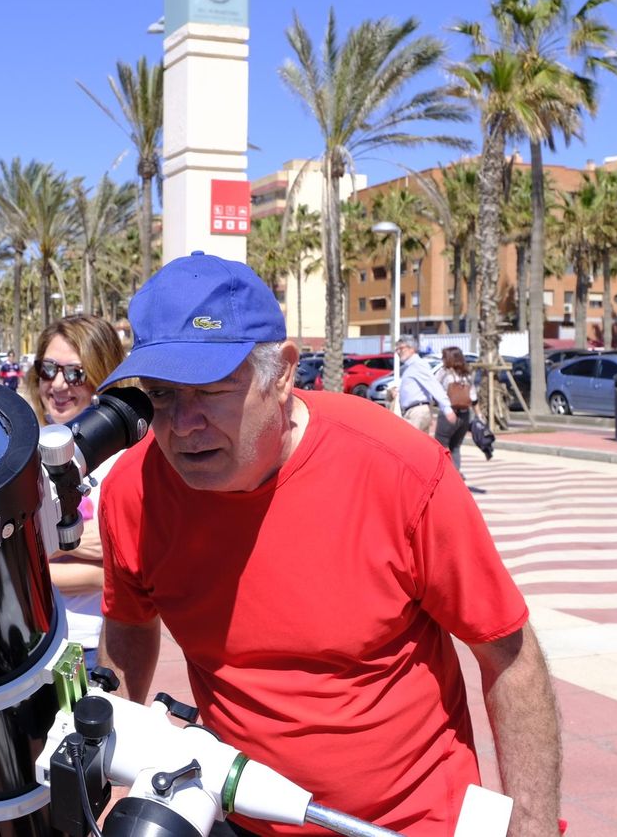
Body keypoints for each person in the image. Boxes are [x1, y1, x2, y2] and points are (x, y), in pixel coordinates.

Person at [95, 252, 560, 837]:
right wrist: (110, 769)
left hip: (407, 822)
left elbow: (509, 656)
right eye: (162, 395)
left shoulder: (400, 471)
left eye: (211, 390)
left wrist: (534, 826)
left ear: (283, 373)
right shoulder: (133, 490)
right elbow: (129, 622)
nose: (183, 424)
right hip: (236, 814)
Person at [23, 314, 126, 669]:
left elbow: (136, 571)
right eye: (48, 369)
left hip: (95, 646)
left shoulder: (126, 459)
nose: (58, 384)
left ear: (102, 374)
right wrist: (82, 550)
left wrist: (37, 550)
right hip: (32, 645)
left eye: (75, 373)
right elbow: (5, 562)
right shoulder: (19, 451)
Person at [395, 336, 455, 434]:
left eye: (401, 348)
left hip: (417, 411)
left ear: (412, 349)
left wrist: (447, 408)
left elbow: (433, 385)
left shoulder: (418, 365)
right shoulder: (409, 367)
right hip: (412, 411)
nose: (398, 352)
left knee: (409, 441)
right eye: (397, 349)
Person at [432, 346, 476, 475]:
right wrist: (478, 414)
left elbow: (433, 387)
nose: (442, 359)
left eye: (444, 357)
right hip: (465, 414)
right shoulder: (467, 374)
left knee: (441, 443)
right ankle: (456, 472)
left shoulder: (444, 372)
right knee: (456, 446)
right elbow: (473, 397)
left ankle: (445, 473)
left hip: (449, 413)